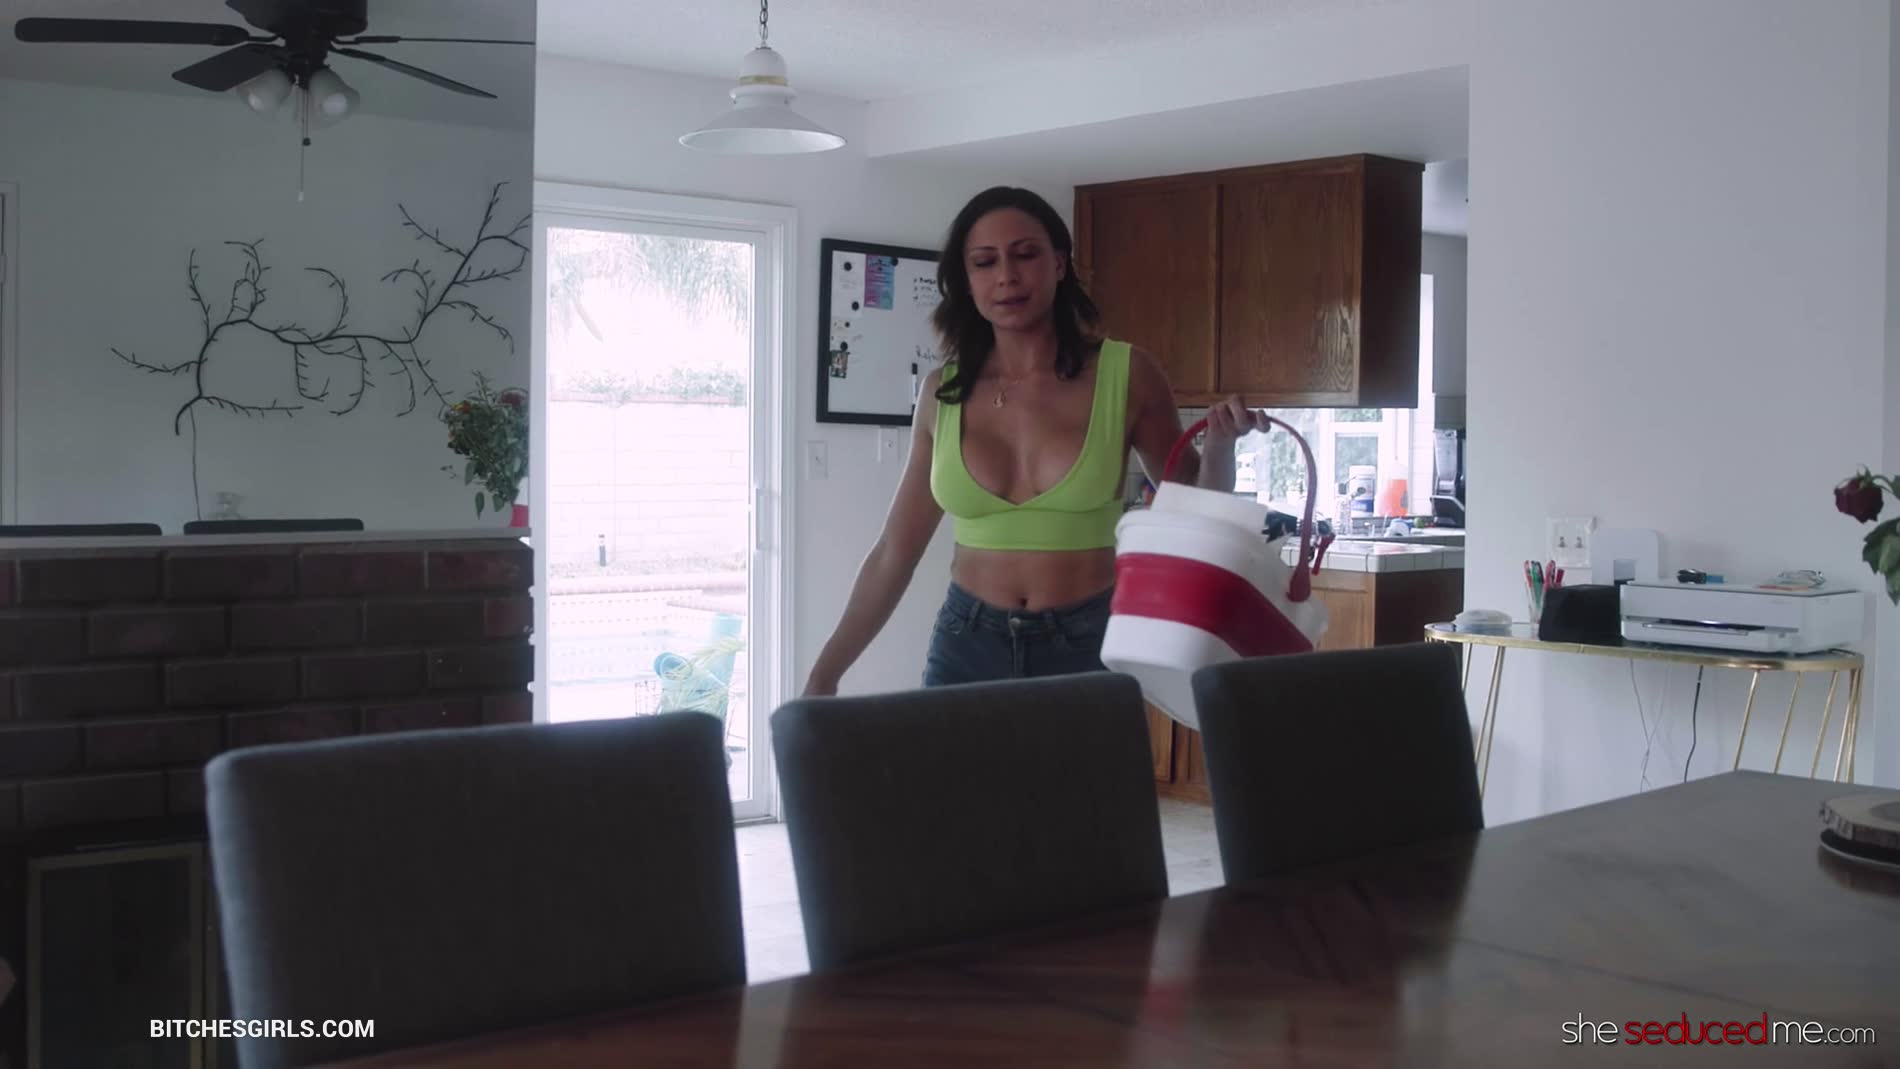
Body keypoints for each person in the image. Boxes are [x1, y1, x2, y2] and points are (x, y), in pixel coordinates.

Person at [803, 186, 1267, 696]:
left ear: (1059, 263)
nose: (1006, 276)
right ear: (967, 280)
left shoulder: (1127, 373)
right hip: (966, 644)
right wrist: (825, 673)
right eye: (985, 262)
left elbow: (1195, 509)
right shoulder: (942, 392)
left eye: (1025, 254)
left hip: (1088, 642)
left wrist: (1221, 446)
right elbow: (894, 553)